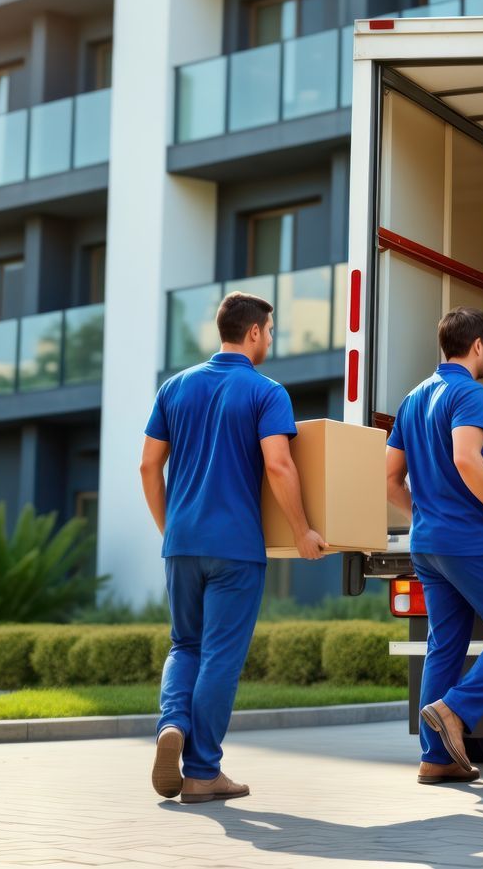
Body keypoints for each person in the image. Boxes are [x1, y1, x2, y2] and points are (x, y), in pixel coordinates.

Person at [140, 291, 326, 804]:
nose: (271, 338)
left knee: (185, 645)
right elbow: (279, 465)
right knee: (221, 655)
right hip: (236, 548)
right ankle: (202, 771)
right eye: (269, 330)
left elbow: (147, 466)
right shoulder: (267, 392)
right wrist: (304, 531)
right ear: (253, 333)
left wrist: (169, 528)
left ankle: (171, 725)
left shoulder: (174, 387)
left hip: (181, 543)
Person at [386, 307, 483, 785]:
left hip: (427, 543)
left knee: (445, 646)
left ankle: (436, 759)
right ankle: (455, 710)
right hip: (470, 540)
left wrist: (423, 516)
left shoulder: (413, 399)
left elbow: (390, 478)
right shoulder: (471, 394)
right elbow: (465, 457)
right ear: (477, 346)